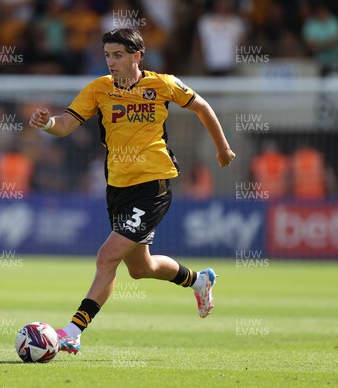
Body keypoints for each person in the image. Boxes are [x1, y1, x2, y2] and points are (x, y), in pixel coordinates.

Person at [29, 28, 235, 354]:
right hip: (118, 187)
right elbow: (66, 124)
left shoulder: (162, 83)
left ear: (137, 55)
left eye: (118, 55)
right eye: (108, 55)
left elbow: (202, 106)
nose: (111, 61)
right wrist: (48, 124)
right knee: (141, 268)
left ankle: (73, 330)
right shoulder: (98, 89)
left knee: (106, 256)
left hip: (153, 184)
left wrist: (222, 149)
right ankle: (199, 280)